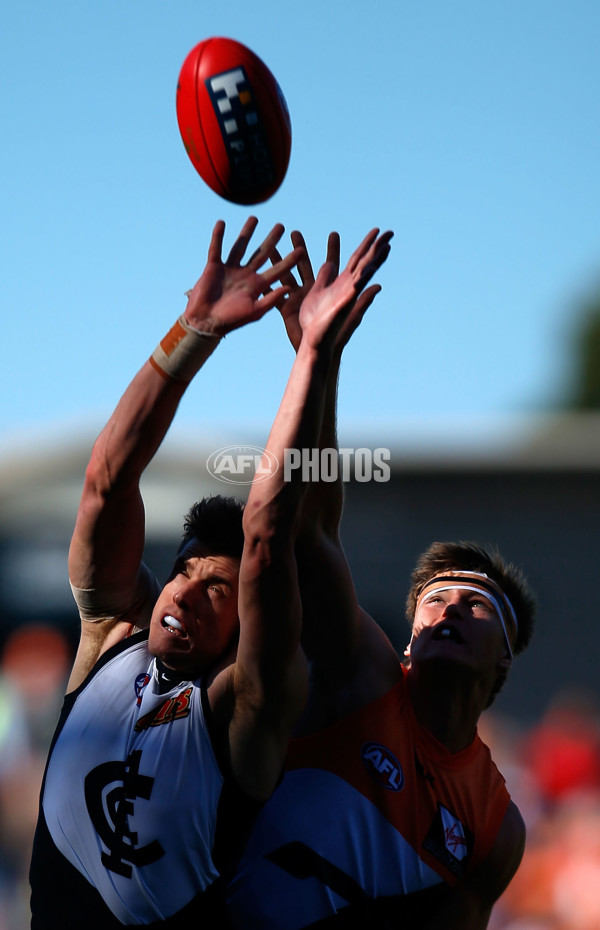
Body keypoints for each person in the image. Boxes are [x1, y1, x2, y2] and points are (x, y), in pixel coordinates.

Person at [28, 216, 393, 929]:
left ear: (244, 621)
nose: (187, 591)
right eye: (184, 571)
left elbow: (270, 532)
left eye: (216, 587)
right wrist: (195, 328)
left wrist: (314, 358)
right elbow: (108, 478)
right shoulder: (109, 638)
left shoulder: (245, 707)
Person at [224, 233, 537, 930]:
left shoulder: (494, 827)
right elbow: (309, 530)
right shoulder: (363, 678)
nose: (447, 610)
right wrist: (319, 355)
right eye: (433, 601)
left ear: (506, 656)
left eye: (473, 605)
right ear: (409, 639)